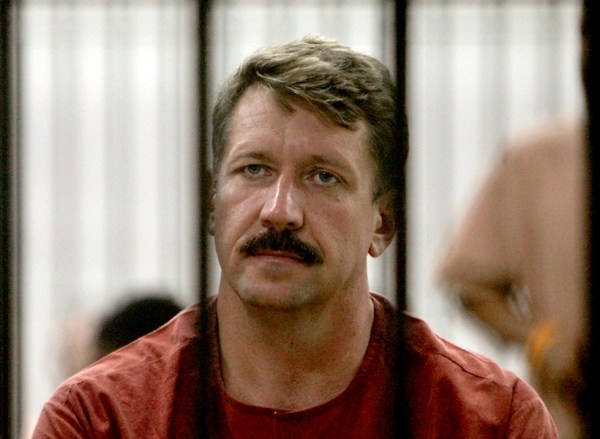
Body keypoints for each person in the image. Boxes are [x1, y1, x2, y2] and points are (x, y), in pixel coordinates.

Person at [31, 35, 557, 438]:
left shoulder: (491, 420)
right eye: (254, 170)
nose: (279, 211)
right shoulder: (98, 419)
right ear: (212, 204)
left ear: (383, 223)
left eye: (323, 177)